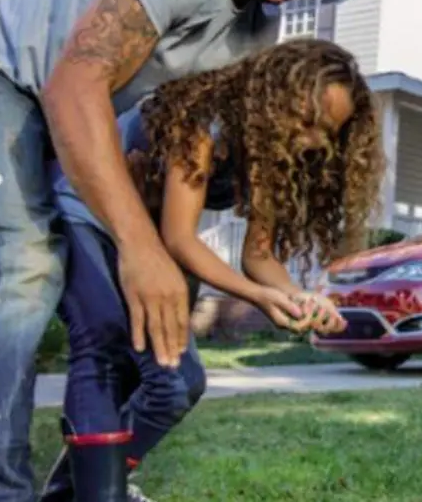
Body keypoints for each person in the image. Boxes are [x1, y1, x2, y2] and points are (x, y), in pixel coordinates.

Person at [0, 0, 353, 499]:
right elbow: (73, 88)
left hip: (63, 115)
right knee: (23, 269)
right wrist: (141, 244)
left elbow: (183, 126)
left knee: (126, 338)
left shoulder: (256, 30)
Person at [39, 39, 383, 502]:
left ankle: (68, 493)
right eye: (308, 120)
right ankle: (99, 493)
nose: (312, 140)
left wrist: (298, 295)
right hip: (86, 212)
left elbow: (258, 257)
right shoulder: (202, 119)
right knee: (102, 345)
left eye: (327, 133)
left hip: (149, 245)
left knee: (178, 384)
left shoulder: (269, 159)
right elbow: (181, 237)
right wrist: (258, 298)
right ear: (274, 93)